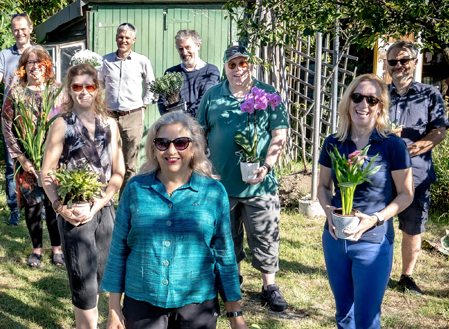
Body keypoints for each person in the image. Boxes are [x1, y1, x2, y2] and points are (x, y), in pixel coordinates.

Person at [102, 112, 249, 329]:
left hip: (198, 306)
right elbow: (117, 251)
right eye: (163, 143)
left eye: (181, 143)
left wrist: (235, 313)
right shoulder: (135, 189)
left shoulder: (213, 192)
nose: (172, 151)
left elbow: (225, 255)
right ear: (153, 148)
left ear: (193, 148)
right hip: (142, 302)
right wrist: (114, 310)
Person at [197, 45, 290, 312]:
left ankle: (269, 286)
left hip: (260, 184)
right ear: (225, 67)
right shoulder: (213, 95)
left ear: (251, 65)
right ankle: (232, 282)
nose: (238, 69)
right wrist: (203, 167)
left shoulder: (267, 93)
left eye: (243, 63)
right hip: (221, 184)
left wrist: (268, 165)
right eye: (232, 64)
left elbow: (279, 133)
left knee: (264, 235)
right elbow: (200, 133)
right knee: (226, 237)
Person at [317, 74, 414, 329]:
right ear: (348, 101)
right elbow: (323, 187)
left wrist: (376, 219)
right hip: (336, 238)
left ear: (380, 106)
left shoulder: (392, 145)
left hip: (373, 240)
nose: (364, 105)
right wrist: (328, 212)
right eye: (357, 97)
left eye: (372, 99)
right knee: (343, 315)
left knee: (367, 319)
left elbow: (406, 194)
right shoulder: (333, 142)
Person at [41, 63, 125, 329]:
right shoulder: (61, 125)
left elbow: (119, 172)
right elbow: (46, 173)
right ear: (70, 90)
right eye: (77, 87)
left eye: (90, 86)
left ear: (97, 89)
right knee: (84, 285)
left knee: (109, 277)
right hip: (75, 215)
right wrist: (59, 207)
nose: (84, 92)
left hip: (105, 211)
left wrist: (99, 203)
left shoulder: (110, 124)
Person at [385, 41, 449, 296]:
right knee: (378, 223)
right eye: (393, 62)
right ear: (387, 66)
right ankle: (377, 269)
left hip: (416, 173)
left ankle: (406, 276)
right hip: (381, 172)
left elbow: (439, 132)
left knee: (412, 227)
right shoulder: (379, 94)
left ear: (414, 62)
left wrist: (409, 150)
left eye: (404, 60)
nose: (399, 65)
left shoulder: (430, 94)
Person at [2, 45, 67, 268]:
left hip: (55, 161)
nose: (35, 66)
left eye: (40, 62)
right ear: (23, 67)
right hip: (27, 160)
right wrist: (21, 158)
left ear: (47, 65)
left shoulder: (58, 91)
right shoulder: (16, 92)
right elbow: (7, 127)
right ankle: (37, 249)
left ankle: (57, 248)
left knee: (54, 204)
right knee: (33, 205)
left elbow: (69, 123)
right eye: (29, 62)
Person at [0, 12, 35, 226]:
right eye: (15, 29)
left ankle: (37, 205)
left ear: (30, 28)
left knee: (37, 161)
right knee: (12, 167)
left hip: (35, 119)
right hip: (11, 119)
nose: (19, 32)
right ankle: (14, 209)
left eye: (23, 28)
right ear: (12, 31)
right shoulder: (4, 55)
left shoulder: (38, 53)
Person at [98, 23, 155, 192]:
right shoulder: (105, 61)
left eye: (127, 38)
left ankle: (124, 198)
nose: (123, 40)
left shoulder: (142, 61)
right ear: (116, 38)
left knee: (130, 161)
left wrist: (144, 105)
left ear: (134, 40)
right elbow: (99, 85)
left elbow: (151, 84)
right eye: (120, 37)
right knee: (106, 157)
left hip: (133, 115)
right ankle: (104, 196)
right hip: (109, 115)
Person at [157, 30, 220, 117]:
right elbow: (162, 101)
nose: (184, 52)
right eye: (180, 49)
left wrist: (184, 118)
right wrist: (172, 120)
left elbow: (205, 100)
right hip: (176, 126)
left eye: (188, 47)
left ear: (198, 46)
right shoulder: (171, 73)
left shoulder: (211, 72)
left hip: (202, 127)